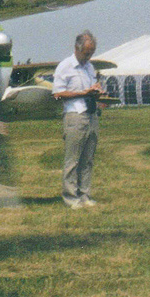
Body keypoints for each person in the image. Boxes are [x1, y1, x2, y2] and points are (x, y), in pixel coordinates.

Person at [52, 31, 101, 208]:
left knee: (87, 159)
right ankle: (70, 197)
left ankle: (84, 194)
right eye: (86, 53)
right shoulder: (65, 66)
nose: (88, 57)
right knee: (72, 160)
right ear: (77, 48)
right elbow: (57, 94)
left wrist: (96, 90)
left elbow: (90, 88)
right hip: (74, 115)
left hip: (91, 113)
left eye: (91, 53)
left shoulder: (89, 67)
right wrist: (82, 93)